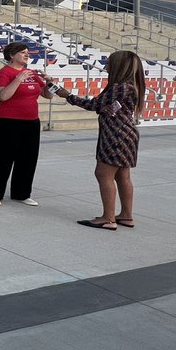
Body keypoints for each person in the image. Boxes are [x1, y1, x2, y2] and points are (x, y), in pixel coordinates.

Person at [49, 50, 145, 230]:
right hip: (127, 134)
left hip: (115, 134)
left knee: (103, 174)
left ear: (118, 66)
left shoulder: (119, 87)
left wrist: (67, 96)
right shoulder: (131, 85)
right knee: (123, 176)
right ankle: (126, 215)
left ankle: (108, 218)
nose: (106, 66)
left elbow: (94, 105)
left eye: (109, 63)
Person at [0, 43, 54, 206]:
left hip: (31, 121)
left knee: (28, 158)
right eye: (22, 52)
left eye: (27, 53)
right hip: (8, 120)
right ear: (12, 55)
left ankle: (21, 193)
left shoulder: (31, 73)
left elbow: (47, 95)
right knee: (2, 157)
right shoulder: (5, 73)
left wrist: (50, 82)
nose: (26, 55)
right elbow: (4, 96)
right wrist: (18, 79)